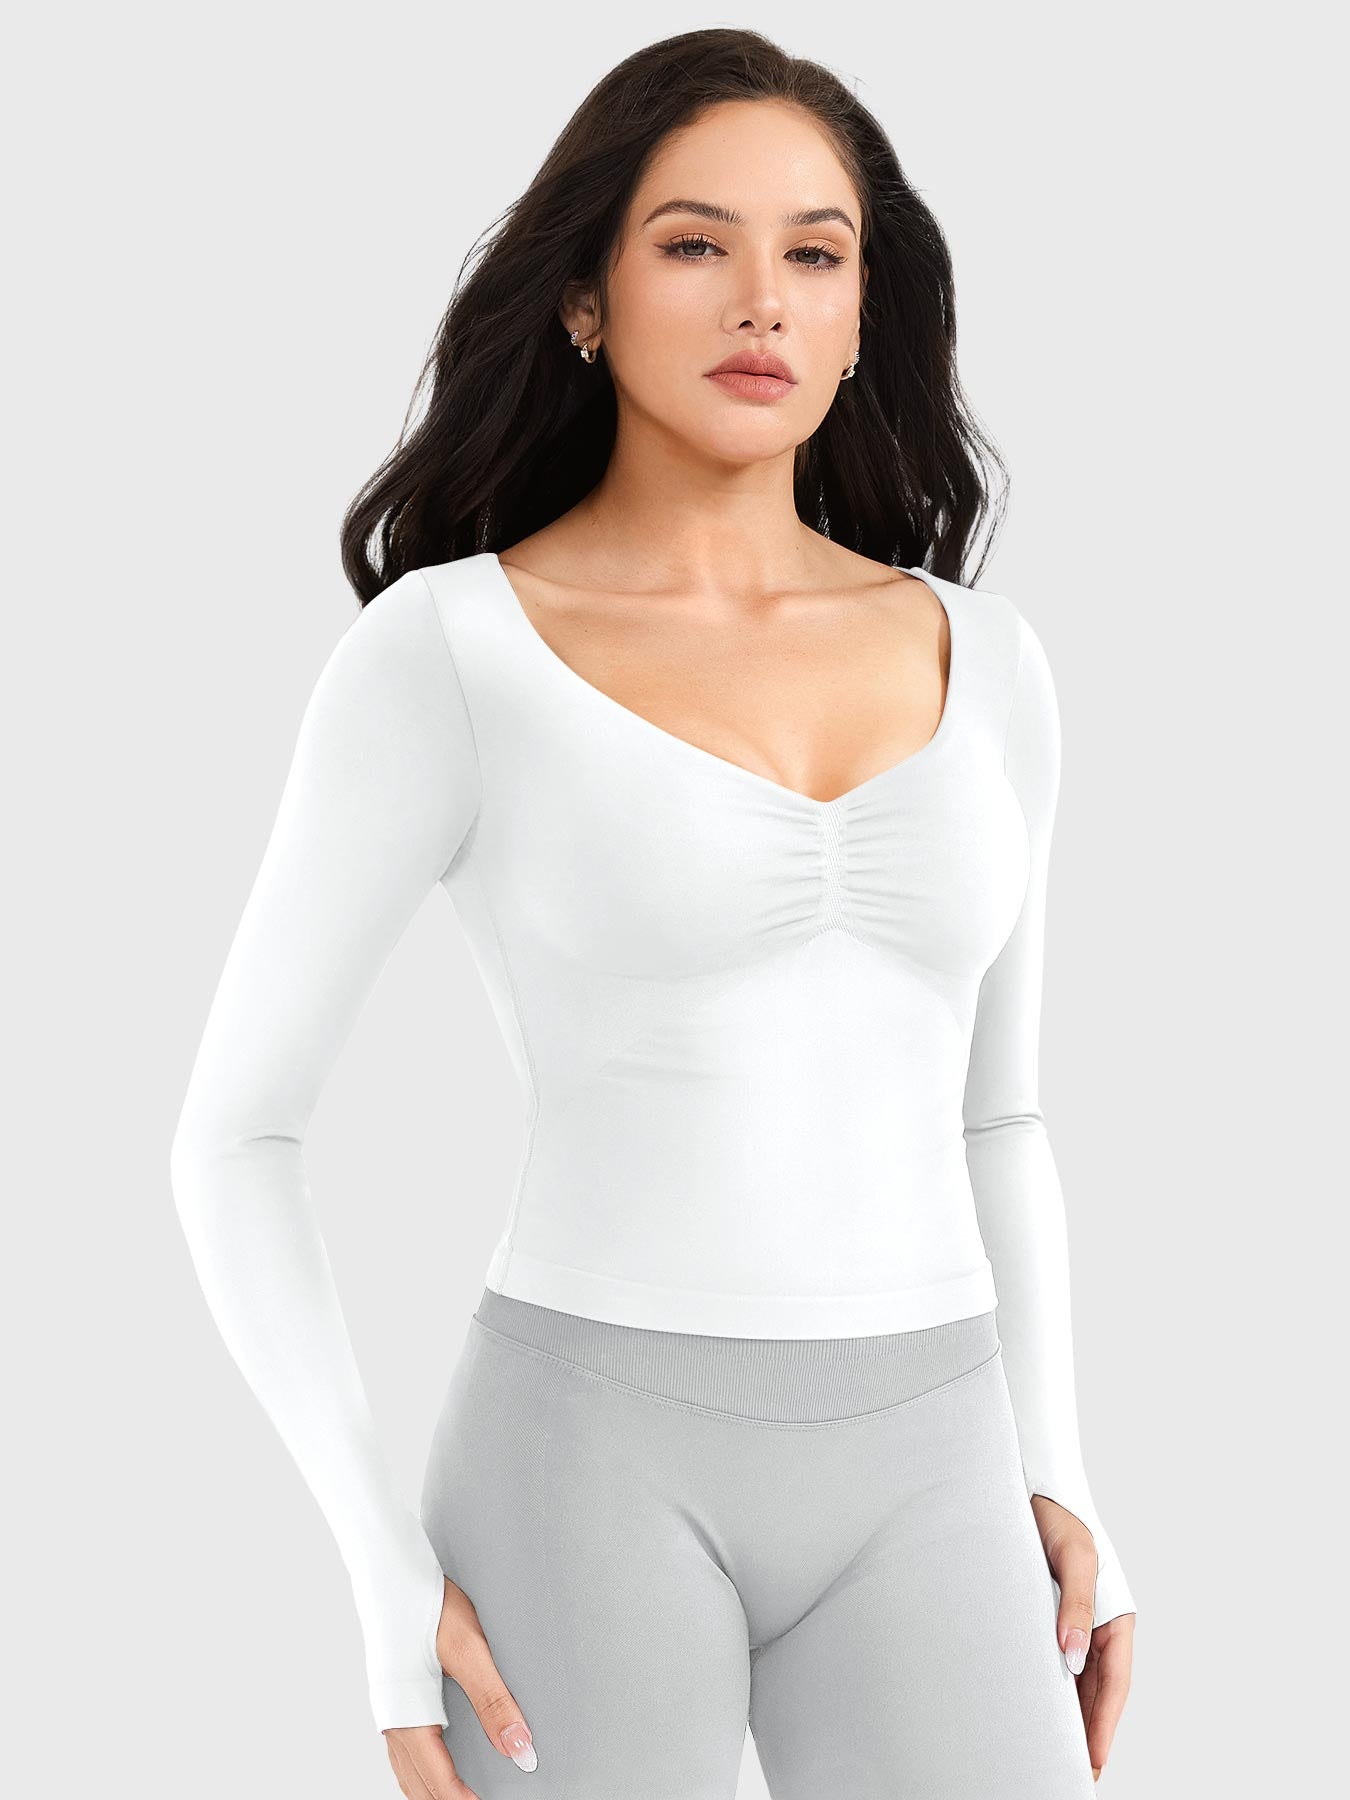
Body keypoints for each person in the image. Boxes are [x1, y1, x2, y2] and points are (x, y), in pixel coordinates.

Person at [170, 26, 1137, 1799]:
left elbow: (996, 1111)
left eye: (814, 255)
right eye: (695, 244)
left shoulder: (990, 661)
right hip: (582, 1461)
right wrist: (378, 1562)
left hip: (938, 1453)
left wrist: (1057, 1465)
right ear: (584, 299)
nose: (760, 299)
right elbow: (236, 1135)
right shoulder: (448, 653)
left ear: (862, 317)